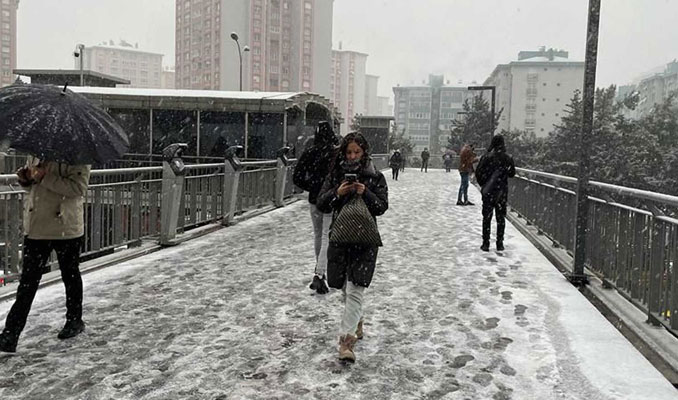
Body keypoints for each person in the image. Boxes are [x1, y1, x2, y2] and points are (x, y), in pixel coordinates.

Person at [0, 157, 91, 353]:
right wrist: (25, 179)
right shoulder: (38, 152)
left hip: (66, 226)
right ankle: (11, 333)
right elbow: (35, 188)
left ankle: (74, 320)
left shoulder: (76, 156)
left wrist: (43, 177)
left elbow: (78, 188)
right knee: (28, 282)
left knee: (70, 274)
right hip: (37, 227)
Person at [316, 132, 388, 362]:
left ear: (364, 152)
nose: (353, 156)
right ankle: (357, 320)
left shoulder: (375, 176)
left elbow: (382, 207)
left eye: (357, 152)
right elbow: (321, 203)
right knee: (346, 290)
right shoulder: (336, 175)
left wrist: (364, 192)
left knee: (356, 288)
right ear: (343, 153)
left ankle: (346, 343)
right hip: (340, 238)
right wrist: (338, 193)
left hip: (365, 240)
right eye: (349, 152)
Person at [292, 121, 338, 295]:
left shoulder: (310, 152)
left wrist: (311, 185)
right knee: (327, 235)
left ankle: (320, 271)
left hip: (314, 199)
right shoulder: (334, 153)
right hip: (331, 198)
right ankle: (320, 272)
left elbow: (297, 176)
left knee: (318, 234)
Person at [475, 135, 515, 252]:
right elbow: (512, 173)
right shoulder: (507, 158)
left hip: (488, 192)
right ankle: (499, 243)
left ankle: (486, 243)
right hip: (501, 192)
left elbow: (478, 172)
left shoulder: (486, 157)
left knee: (487, 217)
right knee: (500, 218)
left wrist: (484, 184)